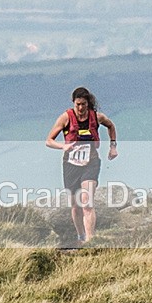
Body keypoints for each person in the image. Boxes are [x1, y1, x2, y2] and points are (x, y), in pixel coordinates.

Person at [46, 86, 117, 244]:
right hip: (71, 165)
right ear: (73, 103)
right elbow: (48, 141)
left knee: (86, 201)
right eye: (77, 104)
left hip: (90, 163)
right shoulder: (66, 118)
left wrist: (113, 146)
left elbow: (111, 126)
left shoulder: (97, 117)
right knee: (76, 205)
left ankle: (90, 241)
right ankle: (81, 236)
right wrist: (63, 146)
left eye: (83, 104)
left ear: (88, 103)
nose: (80, 108)